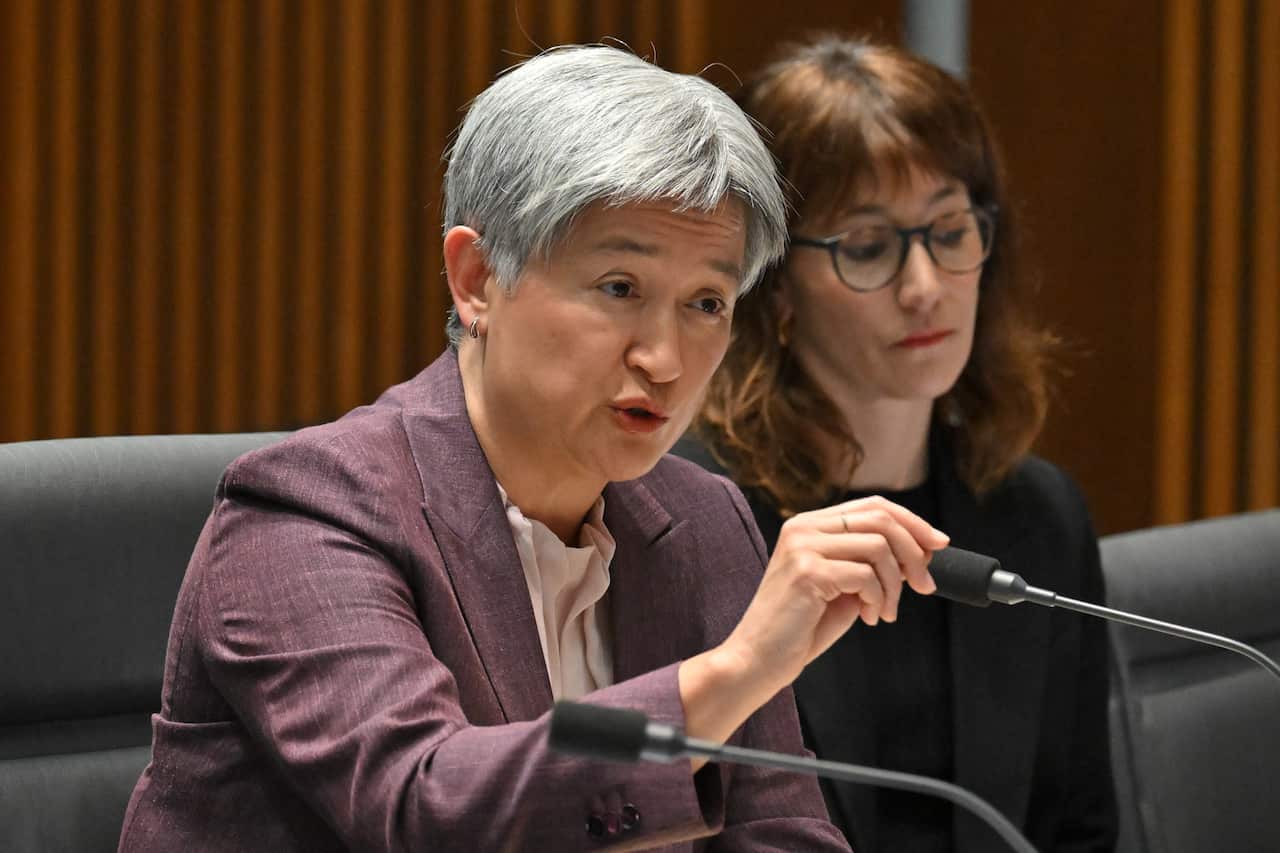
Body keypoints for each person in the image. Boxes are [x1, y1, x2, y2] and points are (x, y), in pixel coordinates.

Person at [117, 45, 948, 852]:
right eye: (619, 289)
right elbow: (429, 808)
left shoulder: (702, 520)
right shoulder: (306, 511)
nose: (664, 360)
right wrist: (739, 670)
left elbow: (781, 831)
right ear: (477, 279)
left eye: (706, 302)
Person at [679, 35, 1118, 853]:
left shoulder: (1038, 515)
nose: (925, 287)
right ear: (772, 283)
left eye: (950, 231)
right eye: (869, 247)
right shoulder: (691, 519)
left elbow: (1077, 830)